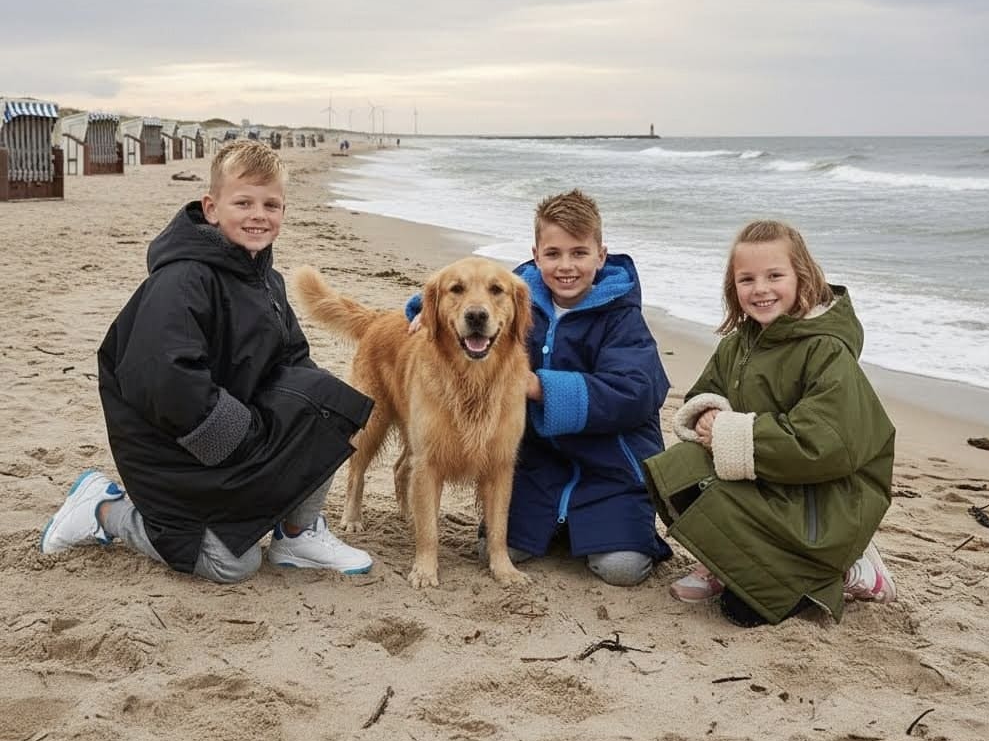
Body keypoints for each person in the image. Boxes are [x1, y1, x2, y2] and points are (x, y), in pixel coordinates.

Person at [40, 140, 375, 583]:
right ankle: (105, 509)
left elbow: (292, 357)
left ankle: (297, 534)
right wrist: (244, 437)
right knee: (232, 563)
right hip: (172, 444)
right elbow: (165, 378)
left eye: (271, 204)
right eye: (244, 202)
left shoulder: (264, 279)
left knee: (329, 405)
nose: (259, 214)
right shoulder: (183, 279)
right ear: (212, 208)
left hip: (235, 426)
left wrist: (307, 419)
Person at [408, 189, 672, 585]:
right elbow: (470, 290)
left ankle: (589, 528)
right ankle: (564, 528)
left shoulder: (623, 318)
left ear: (601, 255)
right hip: (541, 466)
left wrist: (539, 387)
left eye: (579, 253)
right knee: (495, 551)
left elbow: (635, 394)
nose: (565, 266)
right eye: (553, 254)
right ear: (537, 255)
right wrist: (418, 310)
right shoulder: (520, 292)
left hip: (610, 469)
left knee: (622, 569)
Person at [642, 220, 896, 627]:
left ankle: (853, 569)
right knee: (679, 468)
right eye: (747, 279)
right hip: (768, 483)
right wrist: (707, 414)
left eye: (774, 276)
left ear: (803, 277)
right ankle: (723, 563)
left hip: (825, 499)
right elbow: (703, 394)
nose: (760, 289)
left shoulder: (827, 351)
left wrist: (730, 432)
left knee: (743, 612)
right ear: (733, 287)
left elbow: (822, 445)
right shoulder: (738, 343)